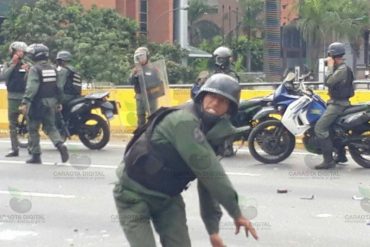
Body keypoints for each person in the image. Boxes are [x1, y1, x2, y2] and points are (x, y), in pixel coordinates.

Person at [113, 74, 258, 247]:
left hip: (167, 199)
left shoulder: (212, 134)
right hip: (133, 195)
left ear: (228, 110)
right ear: (202, 97)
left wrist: (213, 231)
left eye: (223, 101)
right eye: (212, 97)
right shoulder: (182, 121)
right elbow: (211, 172)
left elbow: (208, 184)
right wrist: (236, 213)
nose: (216, 104)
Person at [19, 43, 69, 164]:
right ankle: (60, 145)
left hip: (37, 103)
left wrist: (25, 102)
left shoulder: (35, 69)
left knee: (33, 129)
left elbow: (32, 87)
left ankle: (36, 155)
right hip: (51, 102)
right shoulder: (53, 68)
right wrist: (59, 101)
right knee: (51, 127)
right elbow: (59, 87)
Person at [314, 42, 354, 169]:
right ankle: (341, 155)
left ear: (333, 55)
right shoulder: (340, 68)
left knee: (320, 128)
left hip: (338, 104)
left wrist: (330, 66)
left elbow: (329, 82)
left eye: (330, 55)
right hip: (336, 102)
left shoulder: (341, 69)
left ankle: (328, 161)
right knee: (331, 129)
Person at [2, 41, 29, 157]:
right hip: (12, 97)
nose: (20, 54)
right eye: (18, 51)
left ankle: (33, 148)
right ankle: (14, 149)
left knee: (31, 122)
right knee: (12, 124)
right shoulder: (8, 64)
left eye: (22, 52)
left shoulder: (26, 64)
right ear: (12, 52)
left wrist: (28, 70)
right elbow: (3, 76)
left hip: (25, 98)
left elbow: (31, 80)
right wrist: (13, 64)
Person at [129, 47, 162, 127]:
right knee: (140, 117)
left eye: (142, 56)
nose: (140, 59)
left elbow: (159, 81)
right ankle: (141, 134)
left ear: (147, 56)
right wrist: (135, 75)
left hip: (151, 95)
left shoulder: (153, 68)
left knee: (153, 117)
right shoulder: (135, 69)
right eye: (138, 57)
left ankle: (152, 134)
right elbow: (131, 82)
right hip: (140, 96)